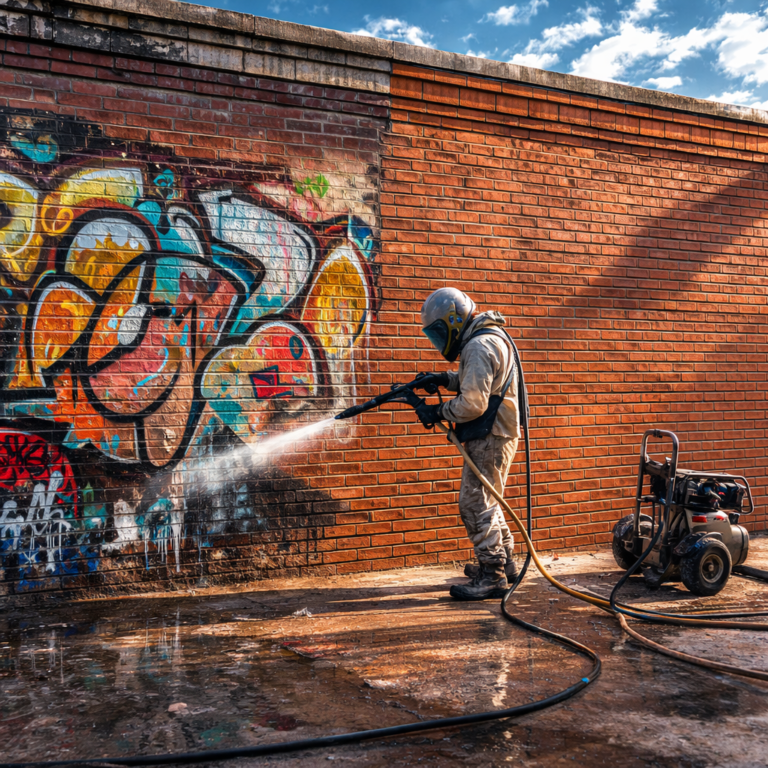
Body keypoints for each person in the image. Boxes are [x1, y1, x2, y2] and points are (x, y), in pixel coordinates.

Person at [414, 288, 521, 600]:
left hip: (488, 434)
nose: (440, 340)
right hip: (499, 433)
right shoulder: (489, 337)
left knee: (475, 503)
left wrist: (437, 411)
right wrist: (443, 379)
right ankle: (505, 564)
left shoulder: (479, 344)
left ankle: (493, 575)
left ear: (454, 320)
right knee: (489, 501)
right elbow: (477, 378)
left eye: (440, 333)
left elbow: (473, 403)